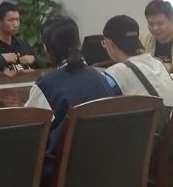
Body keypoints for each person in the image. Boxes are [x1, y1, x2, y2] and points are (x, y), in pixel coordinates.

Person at [25, 16, 119, 167]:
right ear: (79, 42)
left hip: (59, 171)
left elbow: (29, 131)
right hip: (102, 167)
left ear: (46, 48)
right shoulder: (101, 78)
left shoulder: (47, 85)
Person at [102, 14, 173, 119]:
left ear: (109, 43)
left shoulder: (115, 73)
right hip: (171, 125)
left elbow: (100, 106)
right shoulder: (157, 62)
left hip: (148, 127)